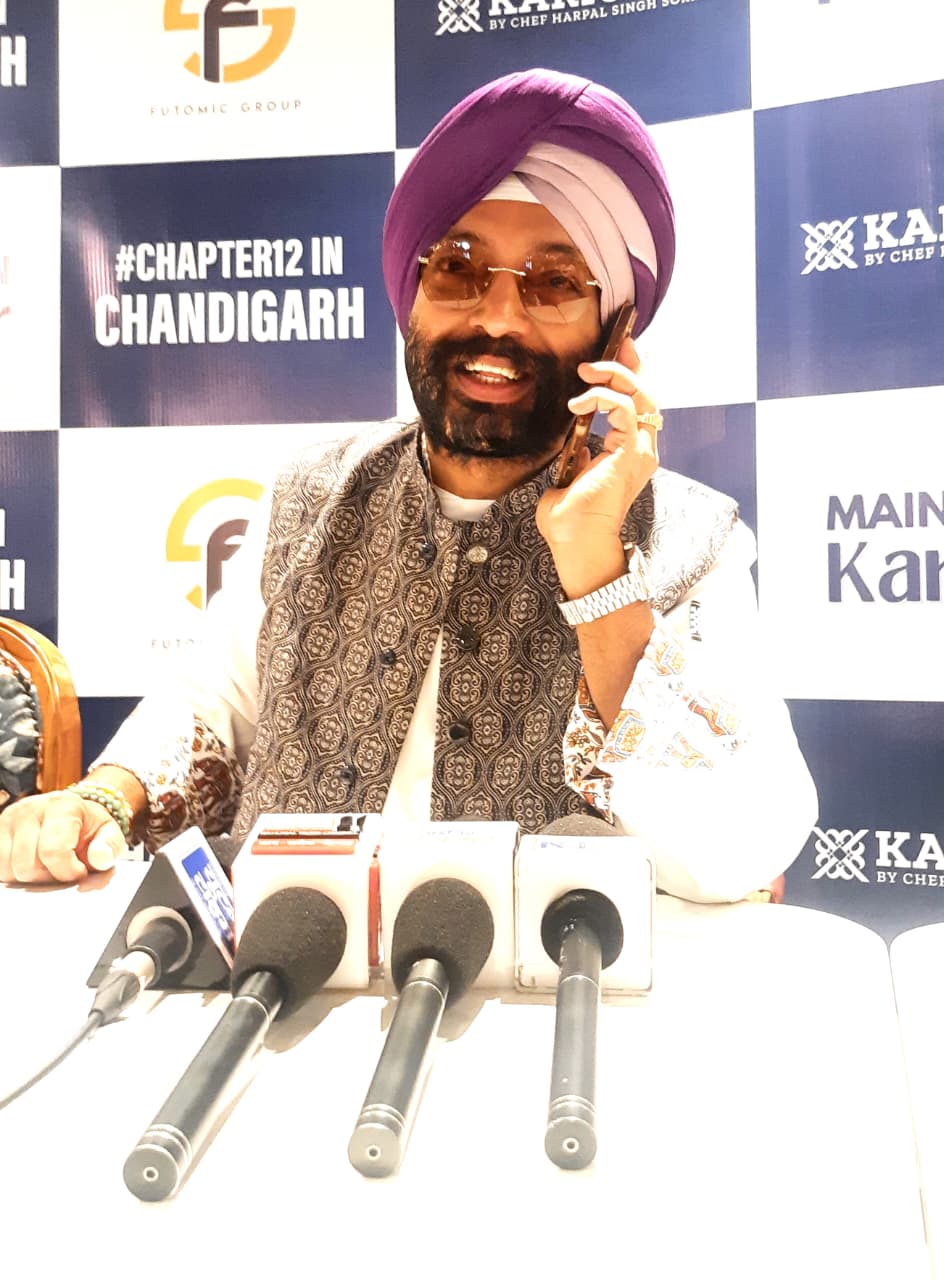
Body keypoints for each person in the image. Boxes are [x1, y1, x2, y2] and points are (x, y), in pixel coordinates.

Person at [0, 69, 816, 900]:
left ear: (614, 334)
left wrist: (600, 571)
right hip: (292, 962)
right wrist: (106, 800)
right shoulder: (310, 496)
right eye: (458, 268)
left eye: (554, 283)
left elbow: (738, 849)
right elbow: (219, 710)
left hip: (549, 981)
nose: (497, 318)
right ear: (411, 296)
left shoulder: (687, 539)